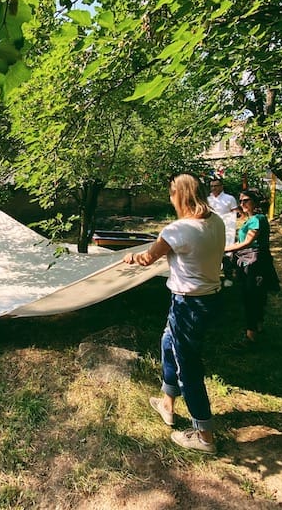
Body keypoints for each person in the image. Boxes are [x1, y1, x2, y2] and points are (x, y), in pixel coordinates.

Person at [123, 173, 225, 454]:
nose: (170, 198)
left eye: (171, 193)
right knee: (168, 343)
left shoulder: (178, 230)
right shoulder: (215, 222)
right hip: (209, 299)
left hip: (188, 305)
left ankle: (205, 436)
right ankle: (167, 404)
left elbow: (147, 258)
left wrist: (131, 257)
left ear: (181, 195)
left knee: (188, 367)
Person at [224, 188, 280, 347]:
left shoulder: (257, 219)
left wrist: (224, 249)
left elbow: (247, 242)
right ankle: (258, 326)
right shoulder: (253, 219)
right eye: (240, 201)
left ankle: (250, 337)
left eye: (245, 200)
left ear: (256, 201)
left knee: (251, 297)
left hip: (254, 262)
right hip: (251, 260)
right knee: (257, 295)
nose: (242, 204)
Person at [207, 177, 239, 286]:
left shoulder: (229, 198)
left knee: (226, 251)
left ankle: (228, 276)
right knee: (211, 252)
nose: (214, 188)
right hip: (210, 228)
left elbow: (234, 214)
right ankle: (212, 276)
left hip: (226, 228)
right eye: (212, 186)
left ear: (221, 186)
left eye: (216, 186)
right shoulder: (207, 200)